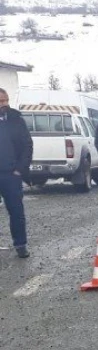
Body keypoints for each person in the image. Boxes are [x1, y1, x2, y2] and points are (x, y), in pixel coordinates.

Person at [0, 87, 32, 258]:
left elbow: (27, 144)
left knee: (16, 211)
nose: (4, 104)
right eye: (0, 101)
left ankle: (20, 244)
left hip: (11, 174)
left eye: (5, 100)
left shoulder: (16, 119)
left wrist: (20, 169)